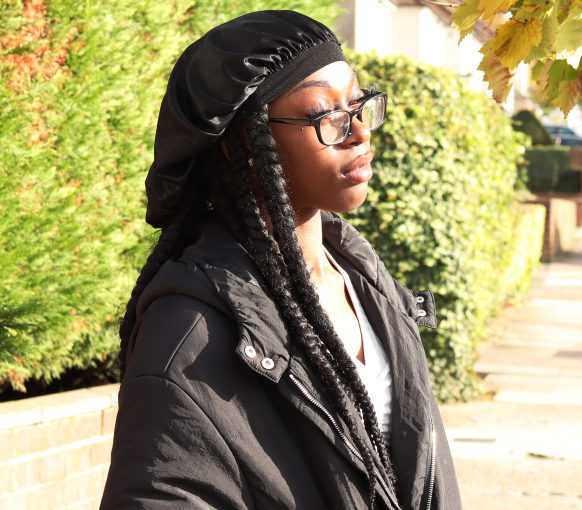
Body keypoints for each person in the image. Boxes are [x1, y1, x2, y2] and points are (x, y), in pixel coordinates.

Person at [100, 10, 461, 510]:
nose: (359, 132)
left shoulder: (367, 282)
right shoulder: (187, 337)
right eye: (327, 117)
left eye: (359, 105)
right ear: (245, 144)